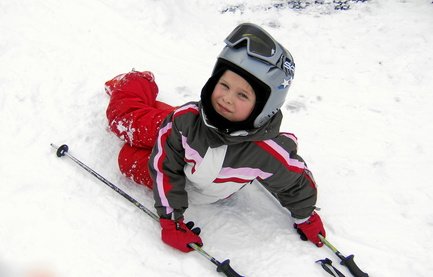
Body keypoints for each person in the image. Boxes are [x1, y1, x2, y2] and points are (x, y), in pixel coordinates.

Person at [105, 23, 326, 253]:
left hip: (192, 173)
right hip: (183, 131)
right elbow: (164, 166)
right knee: (124, 121)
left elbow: (296, 182)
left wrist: (305, 216)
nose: (227, 99)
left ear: (264, 107)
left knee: (127, 159)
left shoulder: (266, 152)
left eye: (242, 94)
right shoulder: (184, 121)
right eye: (224, 85)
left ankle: (152, 108)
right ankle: (136, 82)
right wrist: (171, 220)